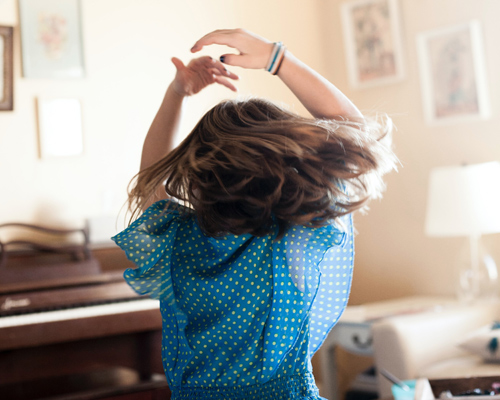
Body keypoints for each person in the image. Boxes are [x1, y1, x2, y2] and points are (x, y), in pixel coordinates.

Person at [112, 29, 397, 400]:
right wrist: (277, 60)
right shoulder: (294, 236)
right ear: (284, 163)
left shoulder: (177, 239)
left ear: (201, 174)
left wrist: (177, 93)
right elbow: (357, 132)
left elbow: (149, 180)